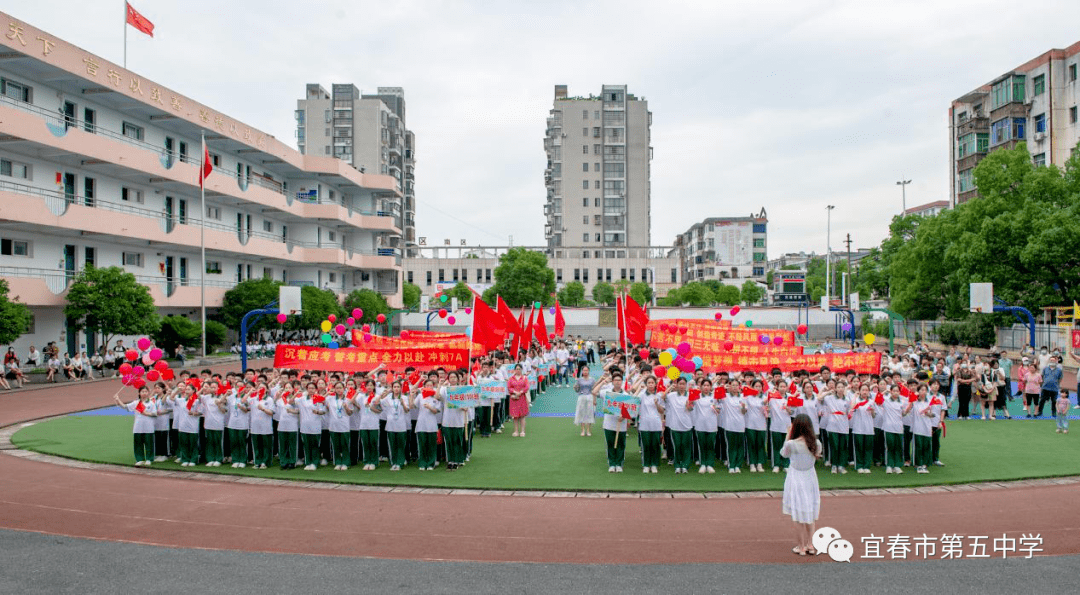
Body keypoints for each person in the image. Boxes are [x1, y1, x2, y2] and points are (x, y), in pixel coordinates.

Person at [781, 413, 822, 556]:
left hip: (796, 477)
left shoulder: (792, 444)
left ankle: (801, 546)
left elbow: (783, 454)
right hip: (810, 477)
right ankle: (810, 544)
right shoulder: (817, 443)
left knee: (798, 514)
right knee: (809, 511)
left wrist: (788, 435)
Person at [114, 385, 158, 466]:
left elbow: (155, 414)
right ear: (139, 393)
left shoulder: (151, 403)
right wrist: (118, 400)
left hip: (148, 427)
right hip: (138, 427)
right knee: (138, 444)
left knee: (149, 443)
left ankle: (149, 459)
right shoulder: (136, 403)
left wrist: (146, 413)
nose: (144, 393)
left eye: (146, 391)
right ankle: (140, 459)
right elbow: (125, 406)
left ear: (148, 393)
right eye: (142, 392)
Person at [636, 374, 664, 473]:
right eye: (649, 383)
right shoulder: (642, 395)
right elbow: (634, 400)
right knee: (646, 445)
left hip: (656, 425)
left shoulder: (659, 395)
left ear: (656, 384)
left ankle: (654, 464)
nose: (651, 384)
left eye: (652, 383)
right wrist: (639, 387)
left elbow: (661, 411)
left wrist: (656, 403)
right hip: (644, 424)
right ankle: (646, 465)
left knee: (655, 445)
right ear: (646, 384)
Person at [573, 365, 597, 436]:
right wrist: (575, 387)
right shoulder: (579, 380)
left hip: (590, 397)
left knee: (589, 413)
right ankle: (583, 430)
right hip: (581, 397)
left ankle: (588, 430)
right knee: (582, 413)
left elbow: (594, 390)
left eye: (586, 370)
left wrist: (594, 400)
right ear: (582, 371)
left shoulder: (592, 380)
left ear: (588, 371)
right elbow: (577, 390)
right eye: (584, 370)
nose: (585, 372)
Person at [507, 365, 530, 437]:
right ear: (514, 370)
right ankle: (516, 431)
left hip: (522, 398)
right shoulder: (511, 378)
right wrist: (514, 392)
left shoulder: (524, 378)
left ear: (522, 370)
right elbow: (509, 387)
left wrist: (521, 392)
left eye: (519, 369)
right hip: (514, 399)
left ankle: (522, 431)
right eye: (517, 369)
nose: (518, 370)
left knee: (522, 415)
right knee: (515, 416)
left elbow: (527, 387)